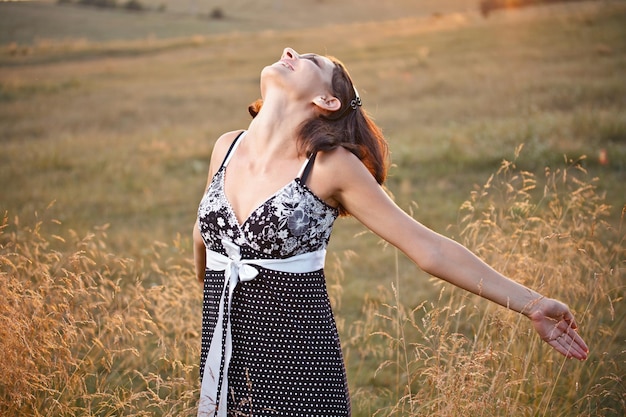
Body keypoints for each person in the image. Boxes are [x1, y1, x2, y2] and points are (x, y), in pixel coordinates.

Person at [192, 47, 589, 417]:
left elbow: (429, 248)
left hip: (299, 370)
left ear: (327, 102)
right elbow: (203, 240)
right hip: (223, 361)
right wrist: (216, 319)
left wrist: (533, 303)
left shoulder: (330, 166)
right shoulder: (227, 148)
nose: (289, 52)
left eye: (311, 60)